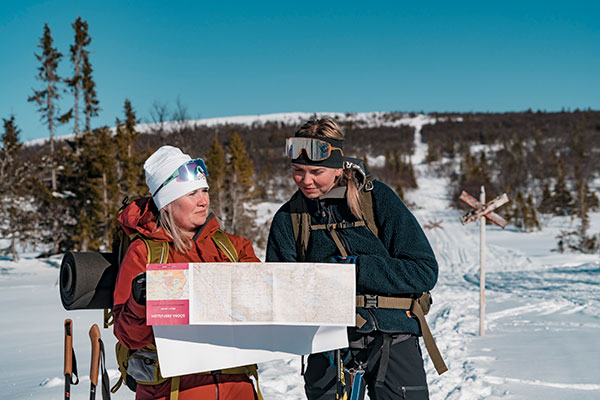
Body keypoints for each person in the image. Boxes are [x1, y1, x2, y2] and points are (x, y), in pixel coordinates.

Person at [266, 118, 442, 400]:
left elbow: (423, 271)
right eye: (297, 171)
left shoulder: (376, 200)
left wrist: (356, 269)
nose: (305, 180)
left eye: (316, 171)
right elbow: (279, 290)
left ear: (338, 167)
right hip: (327, 342)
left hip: (392, 332)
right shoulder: (289, 218)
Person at [113, 145, 260, 400]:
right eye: (192, 193)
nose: (204, 201)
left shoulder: (234, 248)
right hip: (174, 391)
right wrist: (139, 304)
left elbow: (265, 310)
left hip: (236, 387)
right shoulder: (144, 254)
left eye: (204, 191)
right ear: (167, 203)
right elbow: (128, 337)